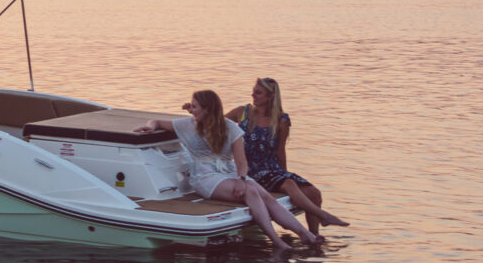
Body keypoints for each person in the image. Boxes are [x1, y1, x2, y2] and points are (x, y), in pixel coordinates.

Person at [137, 89, 321, 251]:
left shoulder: (230, 128)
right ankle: (276, 240)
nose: (190, 110)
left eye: (194, 107)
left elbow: (241, 162)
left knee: (263, 194)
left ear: (207, 109)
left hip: (228, 172)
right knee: (252, 191)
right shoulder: (189, 125)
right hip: (204, 176)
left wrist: (241, 179)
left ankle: (304, 234)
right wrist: (150, 127)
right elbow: (158, 122)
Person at [237, 77, 346, 229]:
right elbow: (215, 123)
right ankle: (324, 216)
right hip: (250, 170)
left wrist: (283, 173)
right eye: (254, 91)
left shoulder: (281, 121)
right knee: (288, 183)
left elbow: (280, 150)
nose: (253, 95)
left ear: (270, 97)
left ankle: (314, 238)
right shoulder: (243, 112)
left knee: (314, 193)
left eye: (258, 93)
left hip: (272, 169)